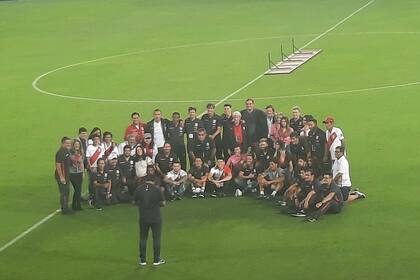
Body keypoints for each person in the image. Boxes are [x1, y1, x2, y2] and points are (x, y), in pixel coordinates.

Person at [134, 181, 166, 266]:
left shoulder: (139, 189)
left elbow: (134, 202)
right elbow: (163, 203)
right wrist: (156, 205)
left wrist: (142, 205)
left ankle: (143, 260)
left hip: (143, 217)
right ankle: (156, 260)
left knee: (143, 238)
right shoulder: (157, 189)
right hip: (155, 217)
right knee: (156, 238)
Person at [55, 137, 74, 215]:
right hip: (62, 175)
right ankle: (64, 209)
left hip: (66, 174)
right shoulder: (60, 153)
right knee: (64, 192)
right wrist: (61, 177)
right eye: (67, 143)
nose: (68, 144)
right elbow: (58, 165)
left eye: (69, 143)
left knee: (67, 192)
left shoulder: (67, 151)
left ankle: (65, 207)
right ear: (62, 143)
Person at [86, 135, 104, 205]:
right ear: (92, 140)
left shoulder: (100, 148)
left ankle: (97, 197)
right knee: (91, 183)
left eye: (97, 139)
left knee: (98, 183)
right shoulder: (89, 147)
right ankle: (91, 196)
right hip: (92, 168)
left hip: (99, 168)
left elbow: (101, 157)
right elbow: (88, 157)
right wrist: (90, 167)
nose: (96, 141)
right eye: (95, 139)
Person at [69, 139, 84, 211]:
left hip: (79, 172)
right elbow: (72, 161)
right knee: (77, 189)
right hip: (72, 173)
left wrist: (83, 172)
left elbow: (82, 163)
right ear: (73, 145)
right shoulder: (70, 153)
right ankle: (77, 205)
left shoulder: (80, 152)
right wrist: (76, 158)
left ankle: (75, 206)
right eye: (75, 144)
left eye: (78, 144)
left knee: (78, 190)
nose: (77, 145)